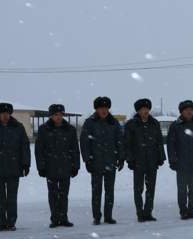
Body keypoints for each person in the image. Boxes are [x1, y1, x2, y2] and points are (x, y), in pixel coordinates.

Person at [0, 102, 31, 231]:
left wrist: (25, 164)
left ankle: (11, 222)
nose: (5, 116)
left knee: (12, 198)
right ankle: (2, 223)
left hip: (14, 168)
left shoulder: (18, 127)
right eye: (2, 113)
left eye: (7, 113)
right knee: (0, 198)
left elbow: (24, 147)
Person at [80, 96, 124, 225]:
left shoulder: (114, 123)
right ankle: (97, 216)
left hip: (111, 162)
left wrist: (121, 158)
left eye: (106, 108)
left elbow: (120, 141)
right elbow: (84, 143)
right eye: (101, 108)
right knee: (96, 191)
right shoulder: (90, 123)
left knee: (109, 191)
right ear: (96, 109)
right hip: (96, 163)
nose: (104, 110)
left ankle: (108, 216)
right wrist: (87, 160)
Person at [35, 104, 80, 228]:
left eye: (60, 114)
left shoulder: (70, 129)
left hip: (66, 166)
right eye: (56, 115)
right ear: (51, 116)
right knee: (53, 194)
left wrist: (76, 166)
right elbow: (39, 150)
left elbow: (75, 149)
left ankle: (64, 218)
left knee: (64, 195)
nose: (58, 117)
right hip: (50, 167)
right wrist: (41, 167)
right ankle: (55, 218)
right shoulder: (44, 129)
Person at [167, 100, 193, 219]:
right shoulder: (175, 126)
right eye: (186, 110)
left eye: (191, 109)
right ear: (181, 112)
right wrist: (172, 160)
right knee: (182, 189)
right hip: (181, 163)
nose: (189, 111)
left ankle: (191, 210)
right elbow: (171, 145)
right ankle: (183, 211)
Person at [124, 98, 166, 222]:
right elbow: (128, 144)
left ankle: (148, 212)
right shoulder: (131, 124)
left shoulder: (154, 123)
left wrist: (160, 157)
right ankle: (140, 213)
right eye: (142, 109)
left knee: (151, 188)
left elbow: (159, 142)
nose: (145, 111)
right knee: (138, 189)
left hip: (152, 161)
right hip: (138, 162)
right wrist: (130, 160)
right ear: (138, 111)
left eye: (147, 109)